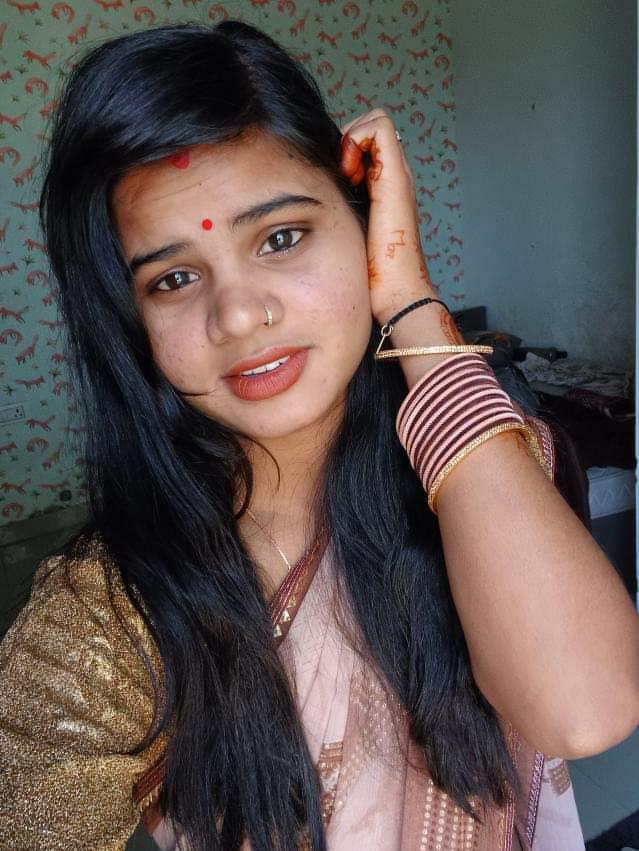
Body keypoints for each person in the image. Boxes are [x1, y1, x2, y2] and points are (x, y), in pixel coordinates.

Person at [1, 20, 637, 851]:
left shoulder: (485, 470)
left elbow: (584, 710)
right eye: (175, 278)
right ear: (132, 324)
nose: (239, 314)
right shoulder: (115, 610)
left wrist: (409, 300)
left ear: (363, 227)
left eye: (280, 237)